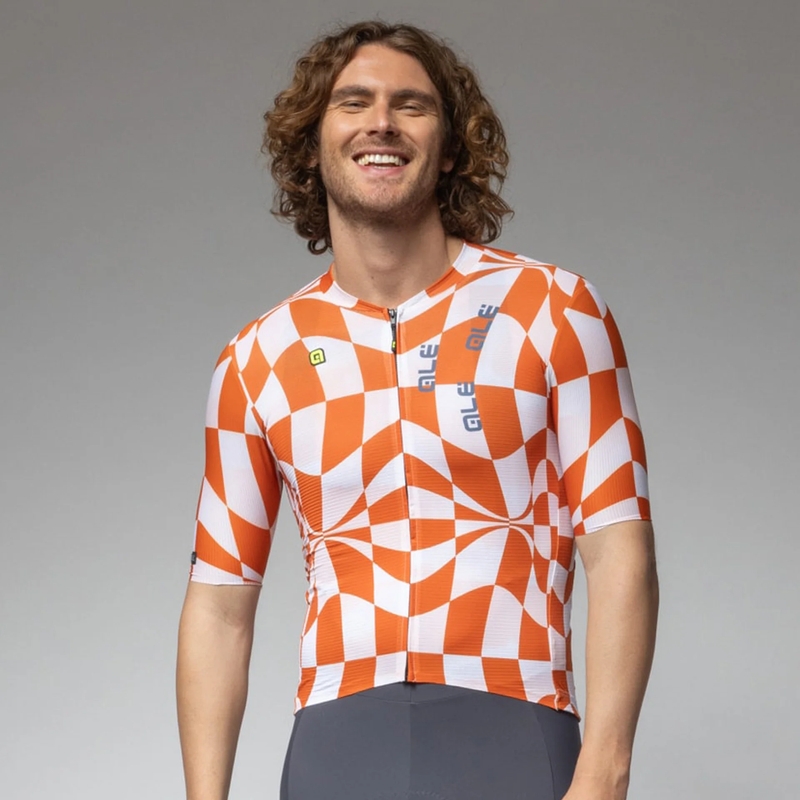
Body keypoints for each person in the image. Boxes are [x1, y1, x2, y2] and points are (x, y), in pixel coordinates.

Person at [176, 20, 658, 800]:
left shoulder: (554, 309)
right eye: (353, 102)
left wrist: (604, 772)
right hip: (335, 748)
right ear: (311, 146)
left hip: (514, 726)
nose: (381, 123)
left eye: (411, 105)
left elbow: (619, 545)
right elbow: (219, 604)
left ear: (452, 145)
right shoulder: (257, 357)